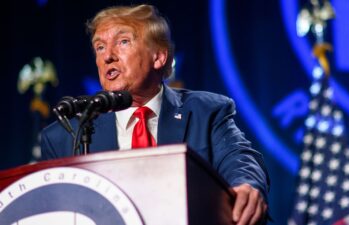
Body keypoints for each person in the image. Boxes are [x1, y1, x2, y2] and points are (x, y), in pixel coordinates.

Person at [41, 4, 270, 225]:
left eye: (123, 42)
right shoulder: (65, 136)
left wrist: (246, 185)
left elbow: (239, 159)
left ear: (158, 57)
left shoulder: (204, 111)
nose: (107, 56)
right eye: (100, 47)